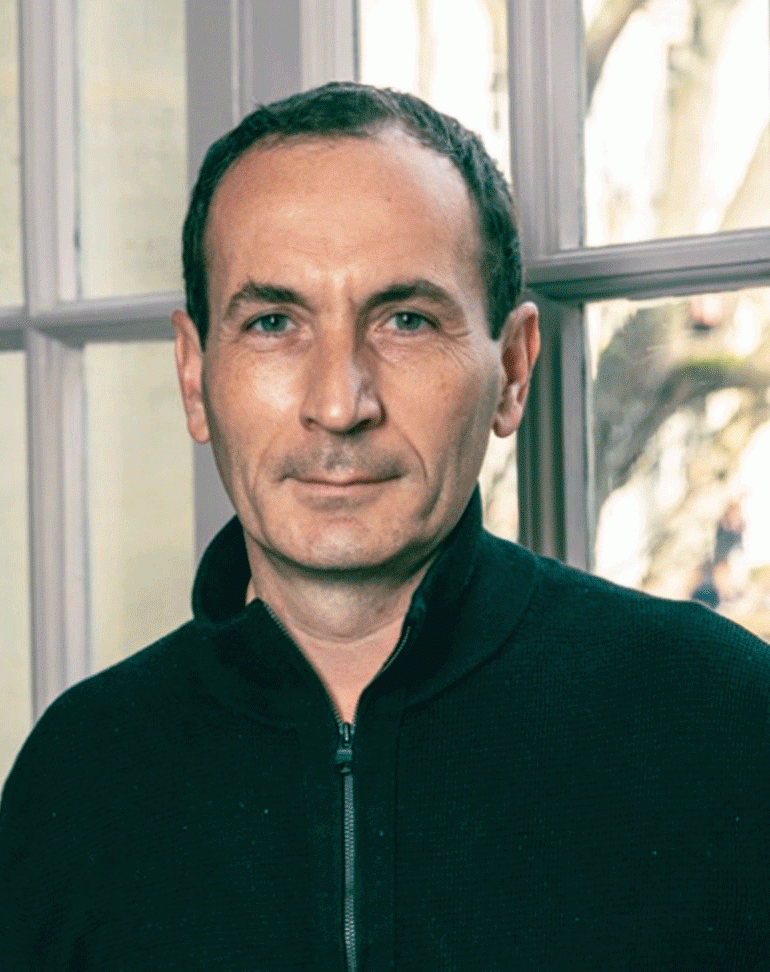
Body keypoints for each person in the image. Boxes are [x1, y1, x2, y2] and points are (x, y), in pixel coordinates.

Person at [2, 82, 769, 971]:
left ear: (513, 370)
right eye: (274, 323)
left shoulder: (722, 722)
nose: (339, 404)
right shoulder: (80, 775)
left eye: (406, 321)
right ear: (193, 374)